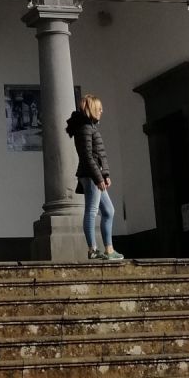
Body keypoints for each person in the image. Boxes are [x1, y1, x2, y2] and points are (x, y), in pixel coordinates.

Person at [67, 93, 123, 261]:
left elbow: (98, 155)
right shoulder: (85, 128)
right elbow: (87, 156)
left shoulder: (90, 127)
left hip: (95, 174)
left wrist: (105, 174)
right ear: (91, 109)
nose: (101, 111)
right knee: (92, 211)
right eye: (99, 108)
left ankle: (109, 250)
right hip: (90, 175)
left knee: (108, 211)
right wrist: (99, 177)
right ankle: (93, 249)